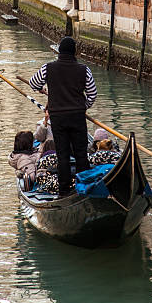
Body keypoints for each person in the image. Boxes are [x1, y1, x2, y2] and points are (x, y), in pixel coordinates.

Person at [29, 36, 97, 198]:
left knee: (63, 154)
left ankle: (64, 190)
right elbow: (92, 94)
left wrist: (43, 88)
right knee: (81, 153)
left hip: (58, 117)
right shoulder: (84, 69)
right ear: (74, 52)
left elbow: (33, 84)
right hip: (77, 117)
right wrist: (82, 107)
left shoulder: (48, 68)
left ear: (59, 51)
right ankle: (85, 188)